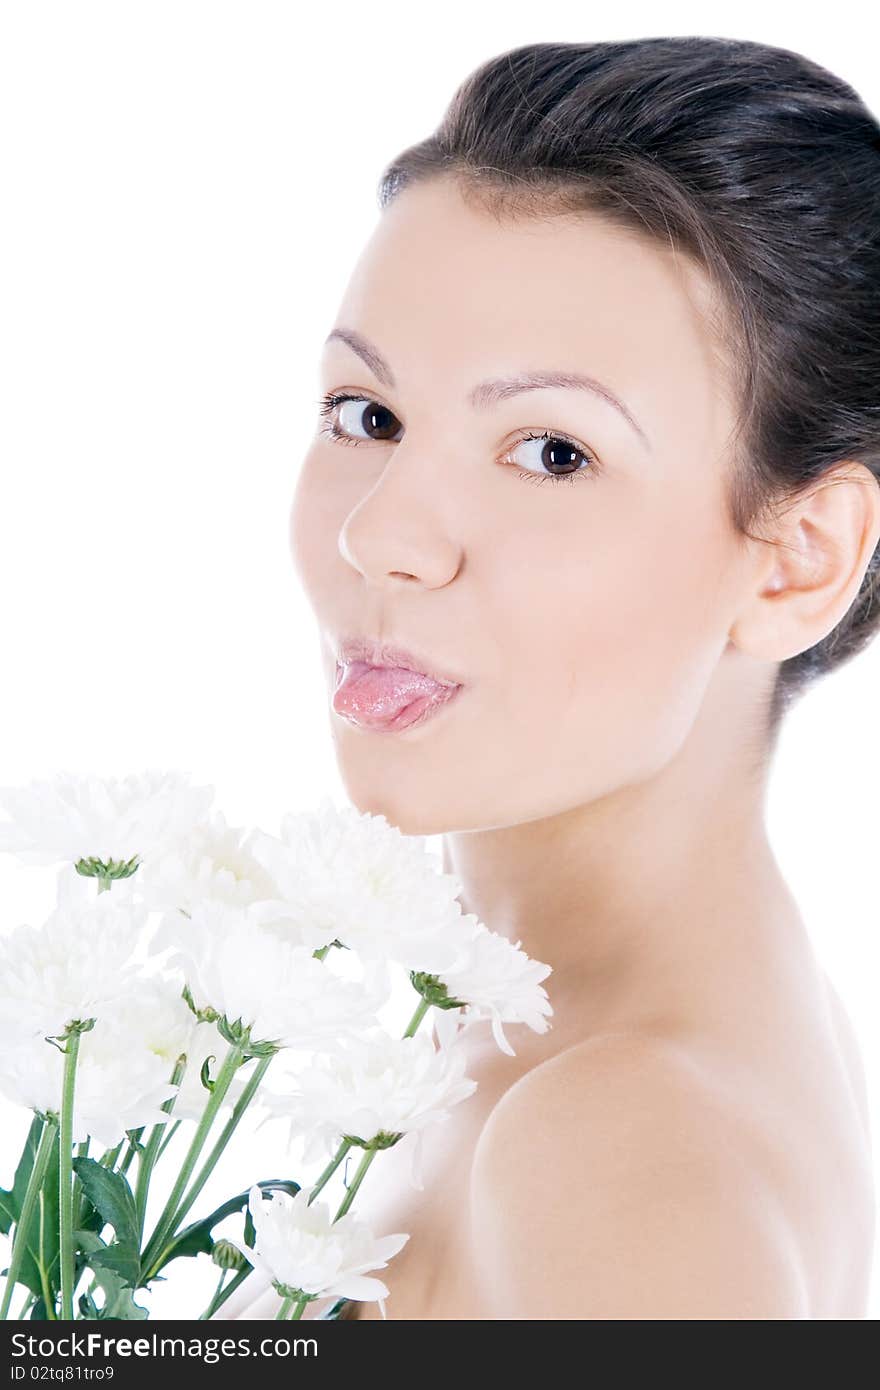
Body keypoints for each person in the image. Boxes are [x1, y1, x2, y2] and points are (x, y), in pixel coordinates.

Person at [223, 35, 880, 1319]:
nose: (384, 536)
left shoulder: (624, 1143)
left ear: (796, 563)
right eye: (369, 414)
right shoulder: (551, 1035)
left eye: (551, 452)